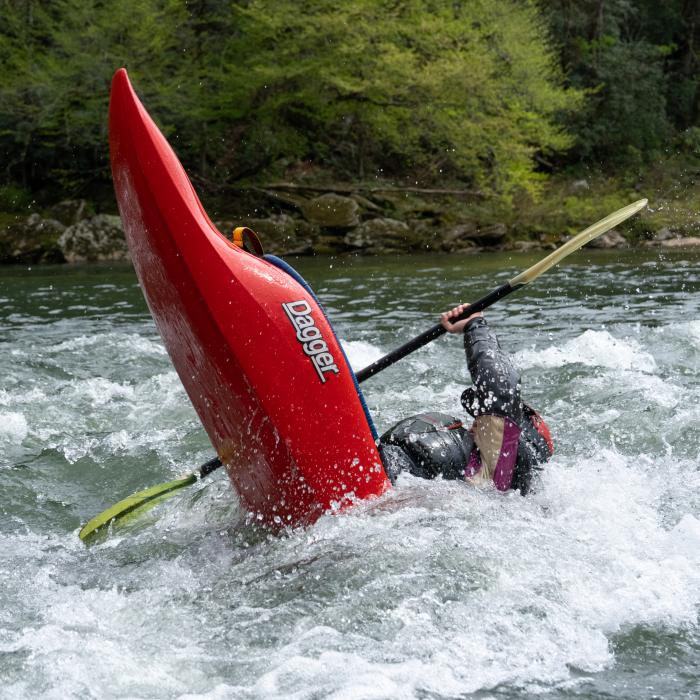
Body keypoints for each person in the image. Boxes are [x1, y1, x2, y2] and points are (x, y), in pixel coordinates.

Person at [378, 304, 553, 494]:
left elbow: (500, 384)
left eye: (484, 418)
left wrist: (475, 324)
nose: (476, 421)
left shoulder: (503, 466)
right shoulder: (495, 481)